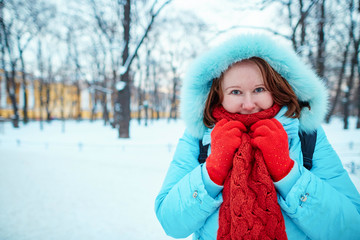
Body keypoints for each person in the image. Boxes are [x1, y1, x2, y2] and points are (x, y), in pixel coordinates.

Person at [154, 34, 360, 240]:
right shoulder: (199, 138)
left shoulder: (306, 136)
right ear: (218, 95)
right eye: (235, 92)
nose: (249, 103)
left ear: (275, 89)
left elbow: (351, 229)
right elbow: (171, 223)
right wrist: (211, 171)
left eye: (259, 89)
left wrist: (287, 173)